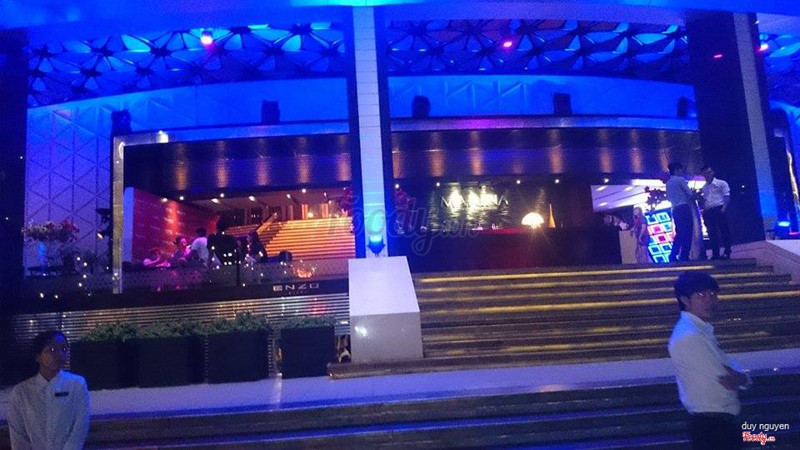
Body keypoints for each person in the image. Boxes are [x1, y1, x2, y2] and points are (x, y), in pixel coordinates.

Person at [668, 272, 750, 449]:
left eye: (713, 294)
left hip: (716, 421)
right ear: (685, 300)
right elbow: (724, 376)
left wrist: (740, 377)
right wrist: (742, 378)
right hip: (712, 424)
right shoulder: (690, 335)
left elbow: (733, 372)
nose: (710, 300)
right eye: (701, 295)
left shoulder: (700, 330)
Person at [8, 331, 90, 449]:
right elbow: (18, 435)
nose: (59, 354)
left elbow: (80, 427)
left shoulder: (77, 384)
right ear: (38, 356)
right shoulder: (21, 392)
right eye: (51, 350)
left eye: (63, 349)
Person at [666, 162, 696, 262]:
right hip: (684, 208)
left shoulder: (668, 183)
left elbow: (669, 198)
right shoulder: (680, 180)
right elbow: (690, 194)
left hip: (675, 209)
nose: (682, 172)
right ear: (676, 170)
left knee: (679, 233)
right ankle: (684, 255)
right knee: (687, 232)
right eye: (680, 170)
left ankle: (673, 254)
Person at [701, 166, 732, 260]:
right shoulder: (704, 187)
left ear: (713, 172)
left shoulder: (721, 183)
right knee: (712, 233)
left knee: (724, 231)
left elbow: (727, 196)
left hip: (719, 208)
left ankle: (727, 252)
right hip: (709, 211)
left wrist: (723, 209)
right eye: (706, 173)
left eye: (710, 172)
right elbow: (705, 199)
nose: (708, 174)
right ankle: (715, 253)